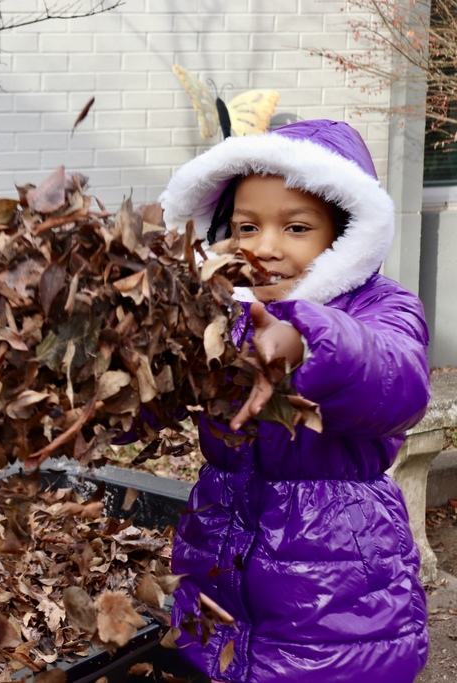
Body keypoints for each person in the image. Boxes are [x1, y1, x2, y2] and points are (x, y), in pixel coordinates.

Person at [157, 119, 430, 683]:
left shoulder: (379, 307)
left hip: (335, 571)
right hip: (219, 545)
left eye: (296, 227)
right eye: (246, 226)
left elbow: (397, 381)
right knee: (212, 659)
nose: (264, 247)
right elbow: (150, 403)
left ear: (344, 234)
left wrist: (308, 343)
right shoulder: (216, 312)